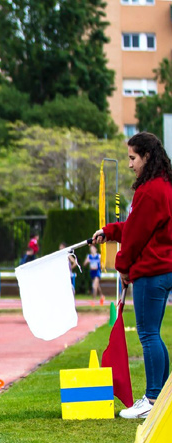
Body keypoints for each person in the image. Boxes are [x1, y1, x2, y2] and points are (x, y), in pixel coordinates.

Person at [92, 131, 172, 419]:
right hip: (163, 269)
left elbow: (137, 235)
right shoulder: (164, 186)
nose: (129, 164)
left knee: (148, 334)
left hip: (152, 272)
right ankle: (162, 397)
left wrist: (122, 266)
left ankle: (151, 399)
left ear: (146, 156)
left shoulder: (149, 190)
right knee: (154, 334)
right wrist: (110, 231)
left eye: (132, 158)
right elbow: (138, 226)